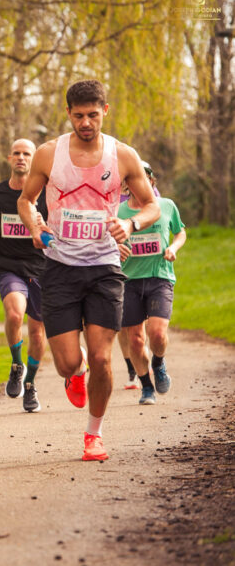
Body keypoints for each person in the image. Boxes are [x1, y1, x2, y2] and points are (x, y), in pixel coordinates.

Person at [17, 79, 159, 462]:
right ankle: (73, 371)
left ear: (105, 112)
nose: (86, 123)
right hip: (60, 268)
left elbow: (151, 206)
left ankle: (93, 435)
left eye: (93, 115)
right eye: (78, 116)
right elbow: (26, 200)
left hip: (104, 268)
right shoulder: (49, 154)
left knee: (102, 358)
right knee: (68, 362)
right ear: (68, 114)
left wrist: (130, 225)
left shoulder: (123, 156)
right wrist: (35, 226)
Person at [0, 138, 48, 413]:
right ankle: (16, 364)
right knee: (14, 314)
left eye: (27, 154)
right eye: (17, 153)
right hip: (9, 265)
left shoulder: (45, 194)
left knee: (37, 330)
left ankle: (30, 386)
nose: (21, 157)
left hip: (42, 268)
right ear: (9, 158)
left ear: (34, 160)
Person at [116, 163, 186, 405]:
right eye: (133, 178)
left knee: (156, 333)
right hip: (129, 282)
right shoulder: (118, 211)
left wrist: (173, 248)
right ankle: (146, 387)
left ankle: (158, 362)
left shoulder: (165, 206)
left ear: (151, 181)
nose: (139, 182)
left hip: (159, 278)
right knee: (135, 339)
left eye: (144, 177)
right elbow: (106, 241)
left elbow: (180, 232)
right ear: (126, 183)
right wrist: (116, 248)